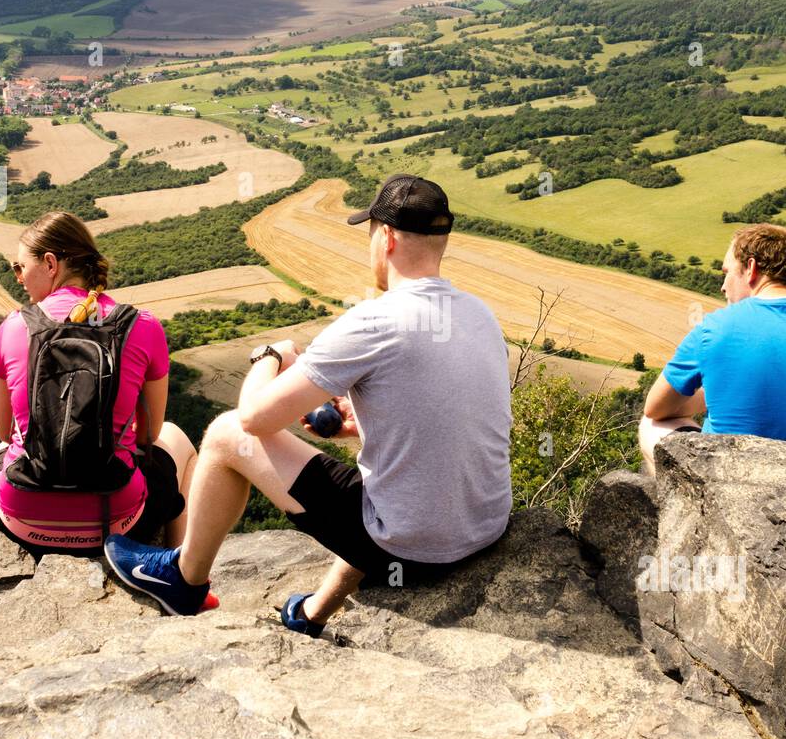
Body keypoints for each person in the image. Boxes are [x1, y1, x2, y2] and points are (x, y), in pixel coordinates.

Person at [103, 174, 514, 635]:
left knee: (224, 434)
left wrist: (271, 356)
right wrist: (366, 425)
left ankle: (182, 579)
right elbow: (457, 418)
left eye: (371, 233)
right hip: (484, 530)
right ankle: (311, 613)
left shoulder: (374, 320)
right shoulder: (480, 314)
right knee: (381, 490)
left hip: (411, 553)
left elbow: (254, 419)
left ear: (388, 238)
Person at [0, 211, 207, 590]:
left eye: (20, 267)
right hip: (119, 517)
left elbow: (5, 431)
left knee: (1, 448)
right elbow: (149, 434)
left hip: (21, 520)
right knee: (178, 439)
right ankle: (178, 574)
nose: (17, 279)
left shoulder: (13, 326)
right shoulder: (143, 325)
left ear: (51, 263)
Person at [639, 223, 786, 474]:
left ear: (751, 268)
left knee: (650, 425)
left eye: (727, 272)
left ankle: (680, 505)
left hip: (730, 481)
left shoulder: (714, 327)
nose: (723, 286)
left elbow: (656, 408)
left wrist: (715, 393)